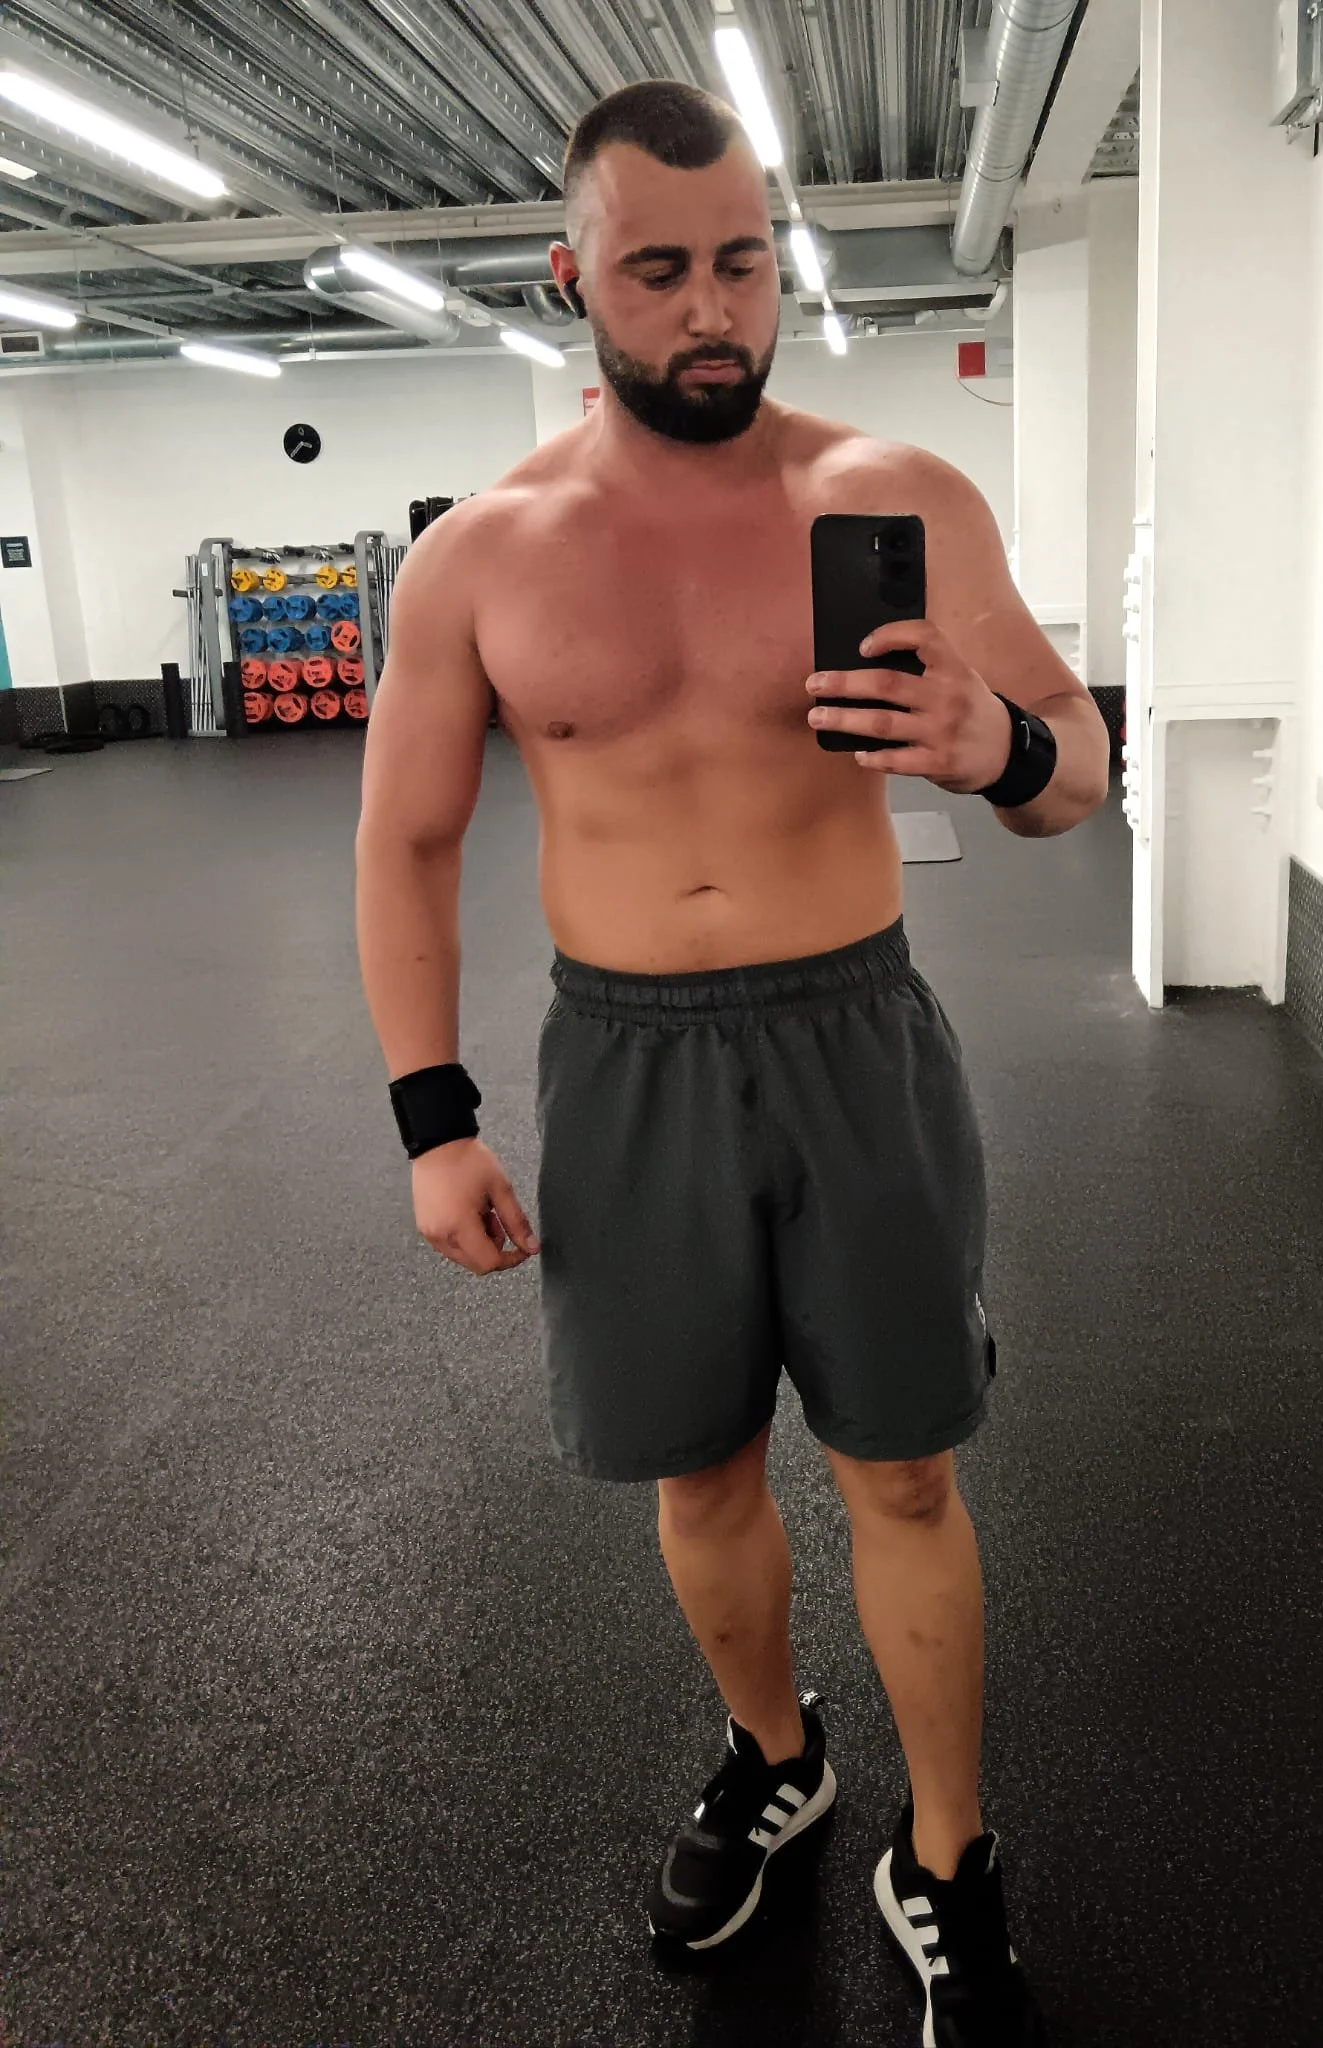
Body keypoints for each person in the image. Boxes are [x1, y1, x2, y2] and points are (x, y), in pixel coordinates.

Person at [355, 78, 1109, 2048]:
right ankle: (776, 1753)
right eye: (658, 269)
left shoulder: (898, 493)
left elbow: (1074, 768)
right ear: (569, 279)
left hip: (854, 1029)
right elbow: (404, 842)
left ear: (780, 259)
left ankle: (944, 1854)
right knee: (692, 1471)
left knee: (903, 1470)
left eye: (743, 262)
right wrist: (433, 1119)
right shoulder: (479, 558)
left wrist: (1000, 751)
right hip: (623, 1062)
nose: (711, 309)